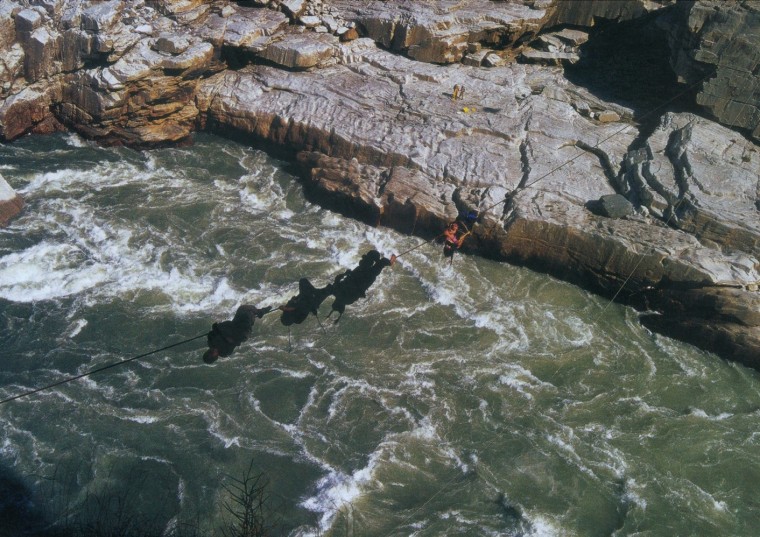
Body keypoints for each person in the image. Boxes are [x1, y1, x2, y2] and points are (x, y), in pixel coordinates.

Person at [328, 250, 396, 322]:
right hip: (357, 274)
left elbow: (358, 294)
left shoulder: (348, 301)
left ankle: (387, 262)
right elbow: (337, 278)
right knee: (372, 255)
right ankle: (379, 259)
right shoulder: (335, 292)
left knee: (380, 264)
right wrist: (345, 274)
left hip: (366, 280)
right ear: (335, 302)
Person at [203, 304, 272, 363]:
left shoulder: (210, 342)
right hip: (241, 332)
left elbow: (213, 331)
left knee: (243, 308)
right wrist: (223, 334)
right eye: (212, 354)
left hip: (233, 325)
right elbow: (233, 342)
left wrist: (217, 331)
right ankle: (261, 312)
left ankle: (257, 312)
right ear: (215, 357)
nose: (212, 351)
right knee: (247, 315)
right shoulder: (225, 352)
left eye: (210, 351)